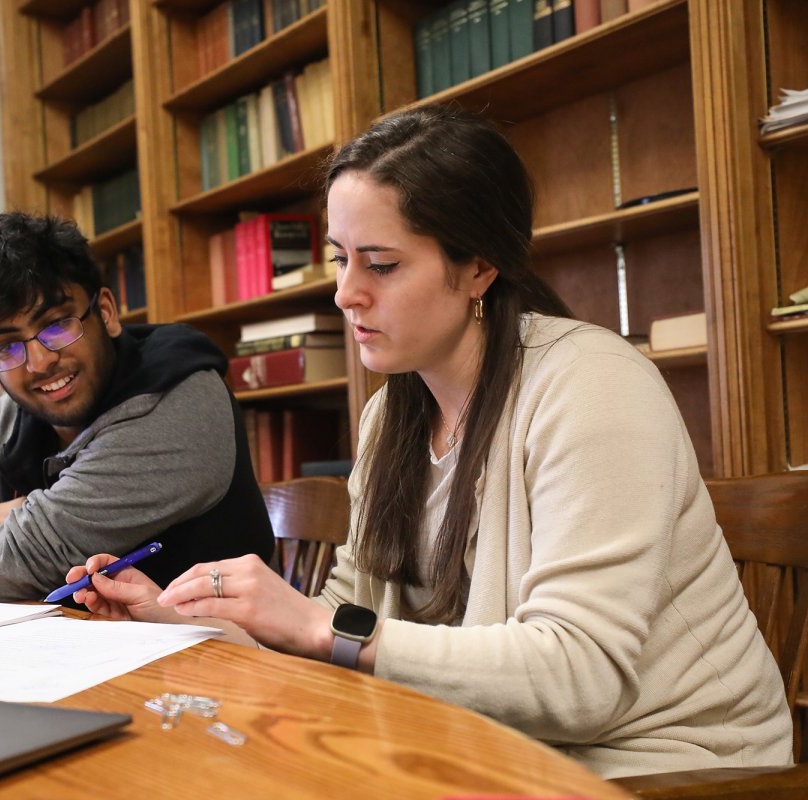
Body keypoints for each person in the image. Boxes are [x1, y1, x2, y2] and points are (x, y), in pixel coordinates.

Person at [65, 105, 793, 778]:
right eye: (340, 257)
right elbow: (347, 630)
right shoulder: (393, 415)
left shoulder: (591, 384)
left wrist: (318, 625)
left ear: (479, 266)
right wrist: (188, 623)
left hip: (668, 769)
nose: (347, 292)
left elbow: (581, 678)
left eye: (380, 264)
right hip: (486, 741)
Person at [0, 211, 274, 602]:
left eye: (56, 325)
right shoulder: (4, 423)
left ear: (106, 313)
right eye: (6, 347)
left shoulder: (179, 402)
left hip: (219, 657)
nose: (40, 361)